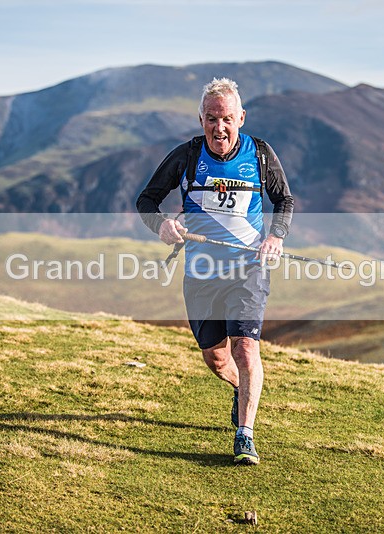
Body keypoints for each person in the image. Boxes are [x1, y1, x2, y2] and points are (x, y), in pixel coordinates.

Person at [136, 78, 294, 465]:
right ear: (201, 119)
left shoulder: (260, 154)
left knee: (245, 347)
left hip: (249, 270)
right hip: (201, 272)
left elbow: (284, 199)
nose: (219, 128)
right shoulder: (186, 156)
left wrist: (276, 236)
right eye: (211, 119)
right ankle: (242, 392)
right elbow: (146, 200)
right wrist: (162, 226)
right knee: (216, 359)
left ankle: (245, 436)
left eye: (226, 119)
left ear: (240, 118)